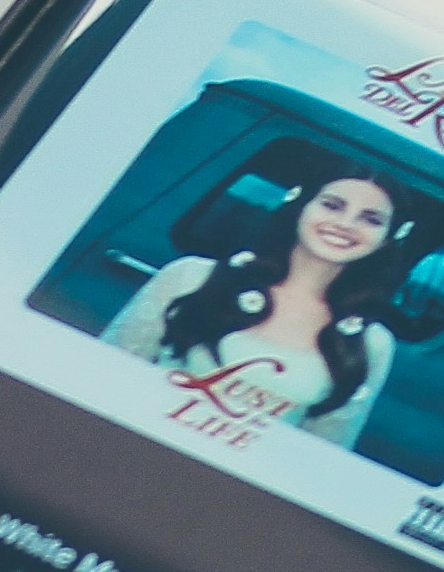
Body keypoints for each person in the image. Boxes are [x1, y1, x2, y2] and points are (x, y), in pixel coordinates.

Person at [104, 171, 407, 452]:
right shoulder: (192, 276)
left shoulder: (372, 343)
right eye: (332, 205)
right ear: (300, 206)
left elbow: (323, 452)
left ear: (387, 238)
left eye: (371, 219)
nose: (346, 224)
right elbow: (107, 370)